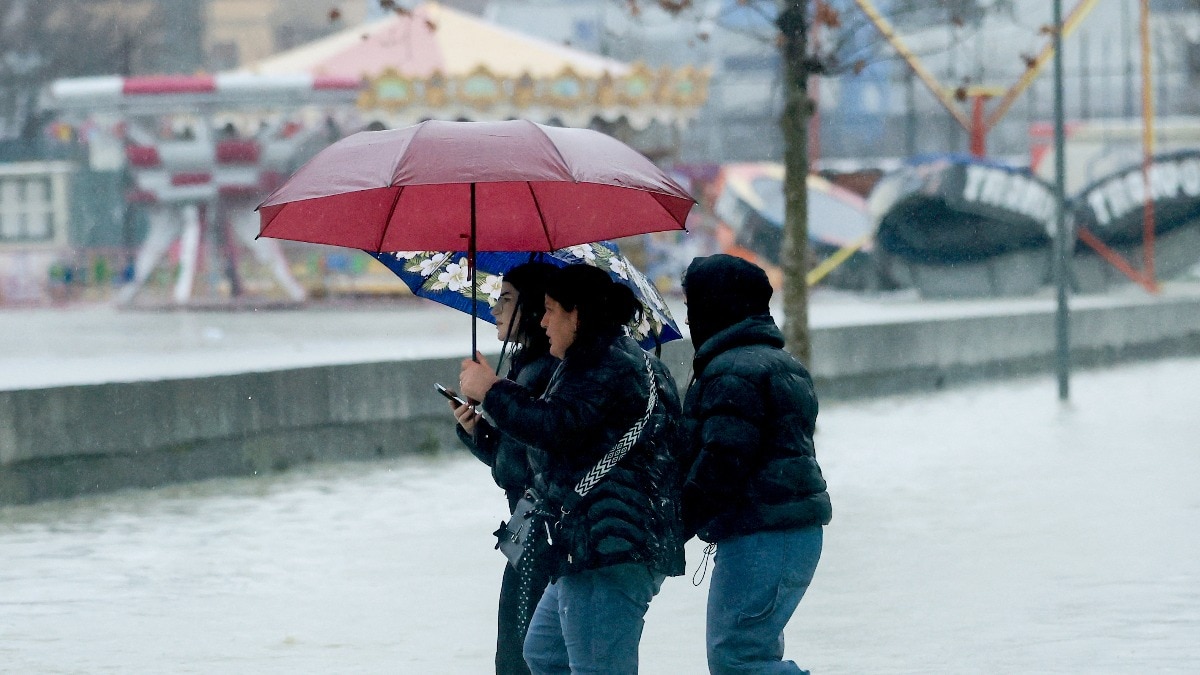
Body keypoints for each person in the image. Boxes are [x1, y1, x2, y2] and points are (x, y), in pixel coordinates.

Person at [458, 264, 686, 675]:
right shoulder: (613, 360)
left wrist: (491, 390)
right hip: (596, 540)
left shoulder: (603, 365)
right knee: (543, 653)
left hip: (609, 543)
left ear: (576, 314)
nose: (543, 322)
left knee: (595, 667)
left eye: (549, 310)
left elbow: (554, 428)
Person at [679, 254, 832, 675]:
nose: (689, 320)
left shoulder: (732, 370)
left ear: (716, 305)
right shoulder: (775, 362)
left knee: (738, 660)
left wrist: (676, 524)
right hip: (784, 532)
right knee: (748, 655)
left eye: (693, 306)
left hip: (764, 534)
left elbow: (721, 463)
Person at [449, 262, 559, 675]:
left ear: (534, 309)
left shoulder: (544, 372)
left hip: (539, 534)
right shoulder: (526, 367)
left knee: (520, 657)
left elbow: (527, 466)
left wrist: (493, 393)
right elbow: (516, 459)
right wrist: (477, 429)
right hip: (528, 530)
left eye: (507, 300)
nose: (494, 309)